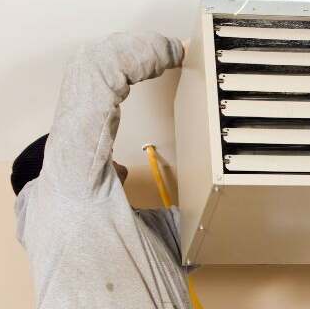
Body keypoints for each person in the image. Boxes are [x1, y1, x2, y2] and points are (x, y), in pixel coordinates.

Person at [10, 32, 190, 308]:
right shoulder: (63, 183)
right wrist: (190, 51)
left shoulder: (108, 231)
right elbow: (94, 64)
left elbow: (198, 233)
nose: (105, 151)